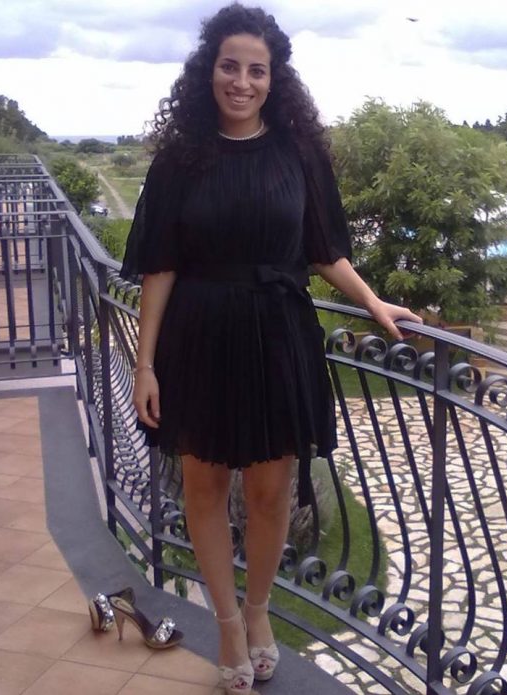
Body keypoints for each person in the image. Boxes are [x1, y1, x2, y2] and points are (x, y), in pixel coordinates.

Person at [119, 3, 422, 692]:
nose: (242, 81)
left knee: (270, 489)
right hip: (199, 338)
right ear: (209, 71)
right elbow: (160, 266)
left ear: (273, 77)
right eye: (230, 66)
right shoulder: (180, 160)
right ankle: (227, 622)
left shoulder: (299, 154)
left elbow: (323, 250)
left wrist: (373, 303)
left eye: (257, 70)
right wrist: (144, 363)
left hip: (279, 336)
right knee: (203, 485)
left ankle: (258, 610)